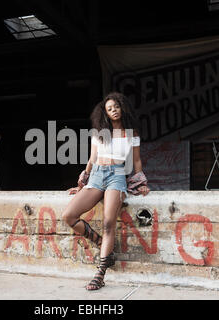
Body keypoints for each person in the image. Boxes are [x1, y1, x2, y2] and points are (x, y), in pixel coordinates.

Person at [61, 91, 150, 291]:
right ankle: (101, 244)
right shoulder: (99, 132)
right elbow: (92, 159)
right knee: (68, 216)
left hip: (117, 176)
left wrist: (140, 181)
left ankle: (100, 274)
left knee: (109, 223)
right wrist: (82, 183)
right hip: (97, 176)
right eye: (109, 109)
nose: (114, 111)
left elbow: (136, 161)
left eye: (116, 107)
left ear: (122, 107)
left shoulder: (131, 133)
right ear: (105, 113)